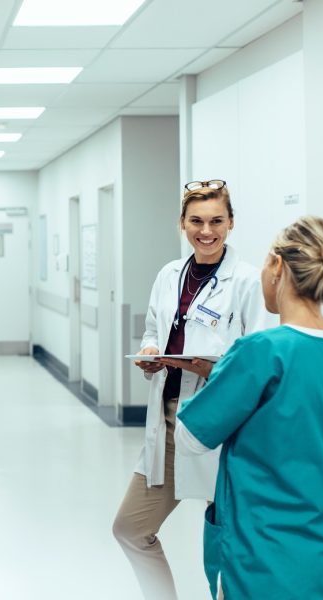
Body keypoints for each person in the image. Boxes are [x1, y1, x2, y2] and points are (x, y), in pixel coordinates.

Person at [112, 180, 270, 600]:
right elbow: (153, 329)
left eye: (217, 220)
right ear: (182, 223)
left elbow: (258, 358)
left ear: (231, 223)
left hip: (222, 429)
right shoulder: (169, 275)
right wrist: (150, 351)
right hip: (167, 423)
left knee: (227, 538)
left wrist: (211, 370)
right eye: (196, 221)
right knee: (130, 528)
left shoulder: (248, 281)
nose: (207, 231)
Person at [176, 216, 323, 600]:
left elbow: (192, 437)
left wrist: (221, 378)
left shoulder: (261, 352)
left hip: (261, 553)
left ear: (277, 267)